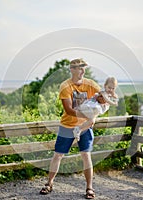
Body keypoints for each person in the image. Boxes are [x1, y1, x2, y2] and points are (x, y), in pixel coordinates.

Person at [39, 58, 100, 199]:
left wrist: (94, 117)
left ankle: (89, 188)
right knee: (58, 155)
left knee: (86, 155)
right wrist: (89, 115)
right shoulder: (65, 86)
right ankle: (49, 183)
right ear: (72, 69)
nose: (83, 70)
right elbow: (69, 110)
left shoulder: (90, 84)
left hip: (85, 127)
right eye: (79, 67)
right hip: (67, 126)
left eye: (84, 67)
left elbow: (103, 98)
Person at [73, 77, 119, 141]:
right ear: (105, 86)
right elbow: (107, 100)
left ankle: (78, 129)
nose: (111, 90)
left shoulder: (111, 95)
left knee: (92, 122)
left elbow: (116, 101)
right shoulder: (103, 92)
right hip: (93, 106)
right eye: (109, 87)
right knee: (95, 109)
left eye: (113, 88)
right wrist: (114, 103)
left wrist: (115, 98)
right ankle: (79, 108)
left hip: (95, 111)